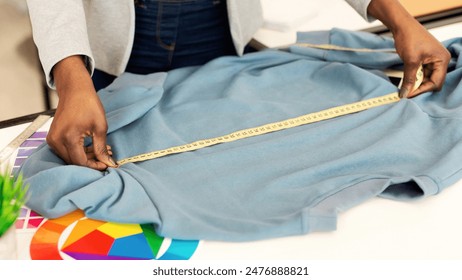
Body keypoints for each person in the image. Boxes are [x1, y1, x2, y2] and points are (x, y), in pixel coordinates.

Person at [26, 0, 451, 171]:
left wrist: (396, 15)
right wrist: (71, 76)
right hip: (115, 35)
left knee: (223, 160)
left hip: (217, 25)